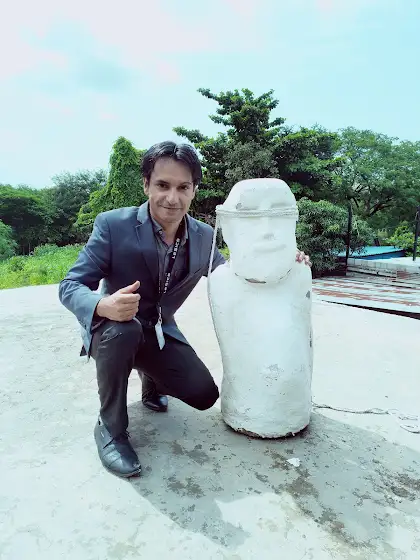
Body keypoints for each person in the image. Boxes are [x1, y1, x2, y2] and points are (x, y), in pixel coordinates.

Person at [58, 141, 311, 478]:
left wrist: (289, 259)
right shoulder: (113, 226)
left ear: (194, 190)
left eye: (183, 187)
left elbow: (233, 273)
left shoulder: (204, 237)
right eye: (162, 185)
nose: (172, 198)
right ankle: (111, 428)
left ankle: (151, 379)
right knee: (124, 332)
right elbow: (70, 285)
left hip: (159, 330)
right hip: (115, 326)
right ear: (146, 184)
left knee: (204, 394)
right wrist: (102, 304)